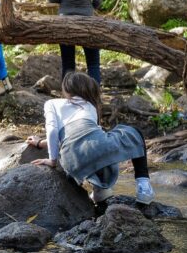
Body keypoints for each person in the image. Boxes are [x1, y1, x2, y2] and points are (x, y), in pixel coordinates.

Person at [26, 72, 155, 205]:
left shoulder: (51, 103)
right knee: (134, 133)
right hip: (98, 150)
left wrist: (50, 157)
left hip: (71, 162)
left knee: (88, 149)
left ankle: (100, 192)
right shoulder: (90, 106)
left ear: (66, 89)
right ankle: (143, 187)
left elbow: (56, 133)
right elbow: (87, 141)